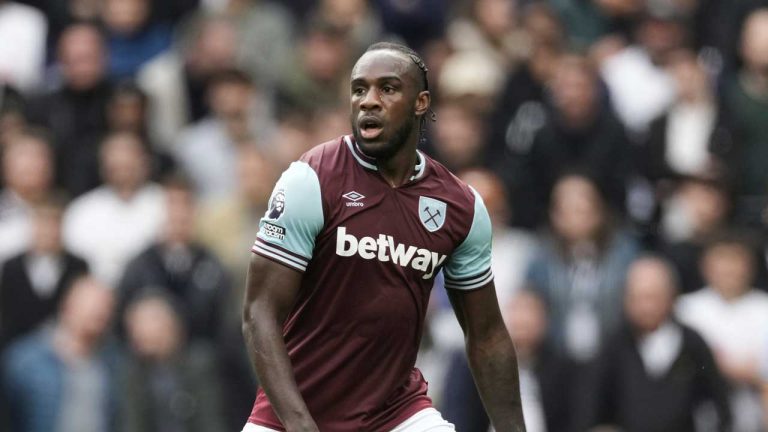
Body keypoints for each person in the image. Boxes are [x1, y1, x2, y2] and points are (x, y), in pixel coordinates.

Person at [241, 42, 525, 431]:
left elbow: (487, 335)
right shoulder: (312, 179)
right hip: (290, 416)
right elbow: (258, 313)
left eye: (387, 89)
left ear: (421, 102)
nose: (368, 101)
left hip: (395, 413)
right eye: (359, 89)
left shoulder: (461, 206)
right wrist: (299, 424)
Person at [575, 256, 731, 432]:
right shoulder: (612, 346)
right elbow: (590, 409)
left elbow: (717, 404)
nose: (646, 307)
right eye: (638, 298)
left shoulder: (692, 343)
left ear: (672, 296)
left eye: (653, 297)